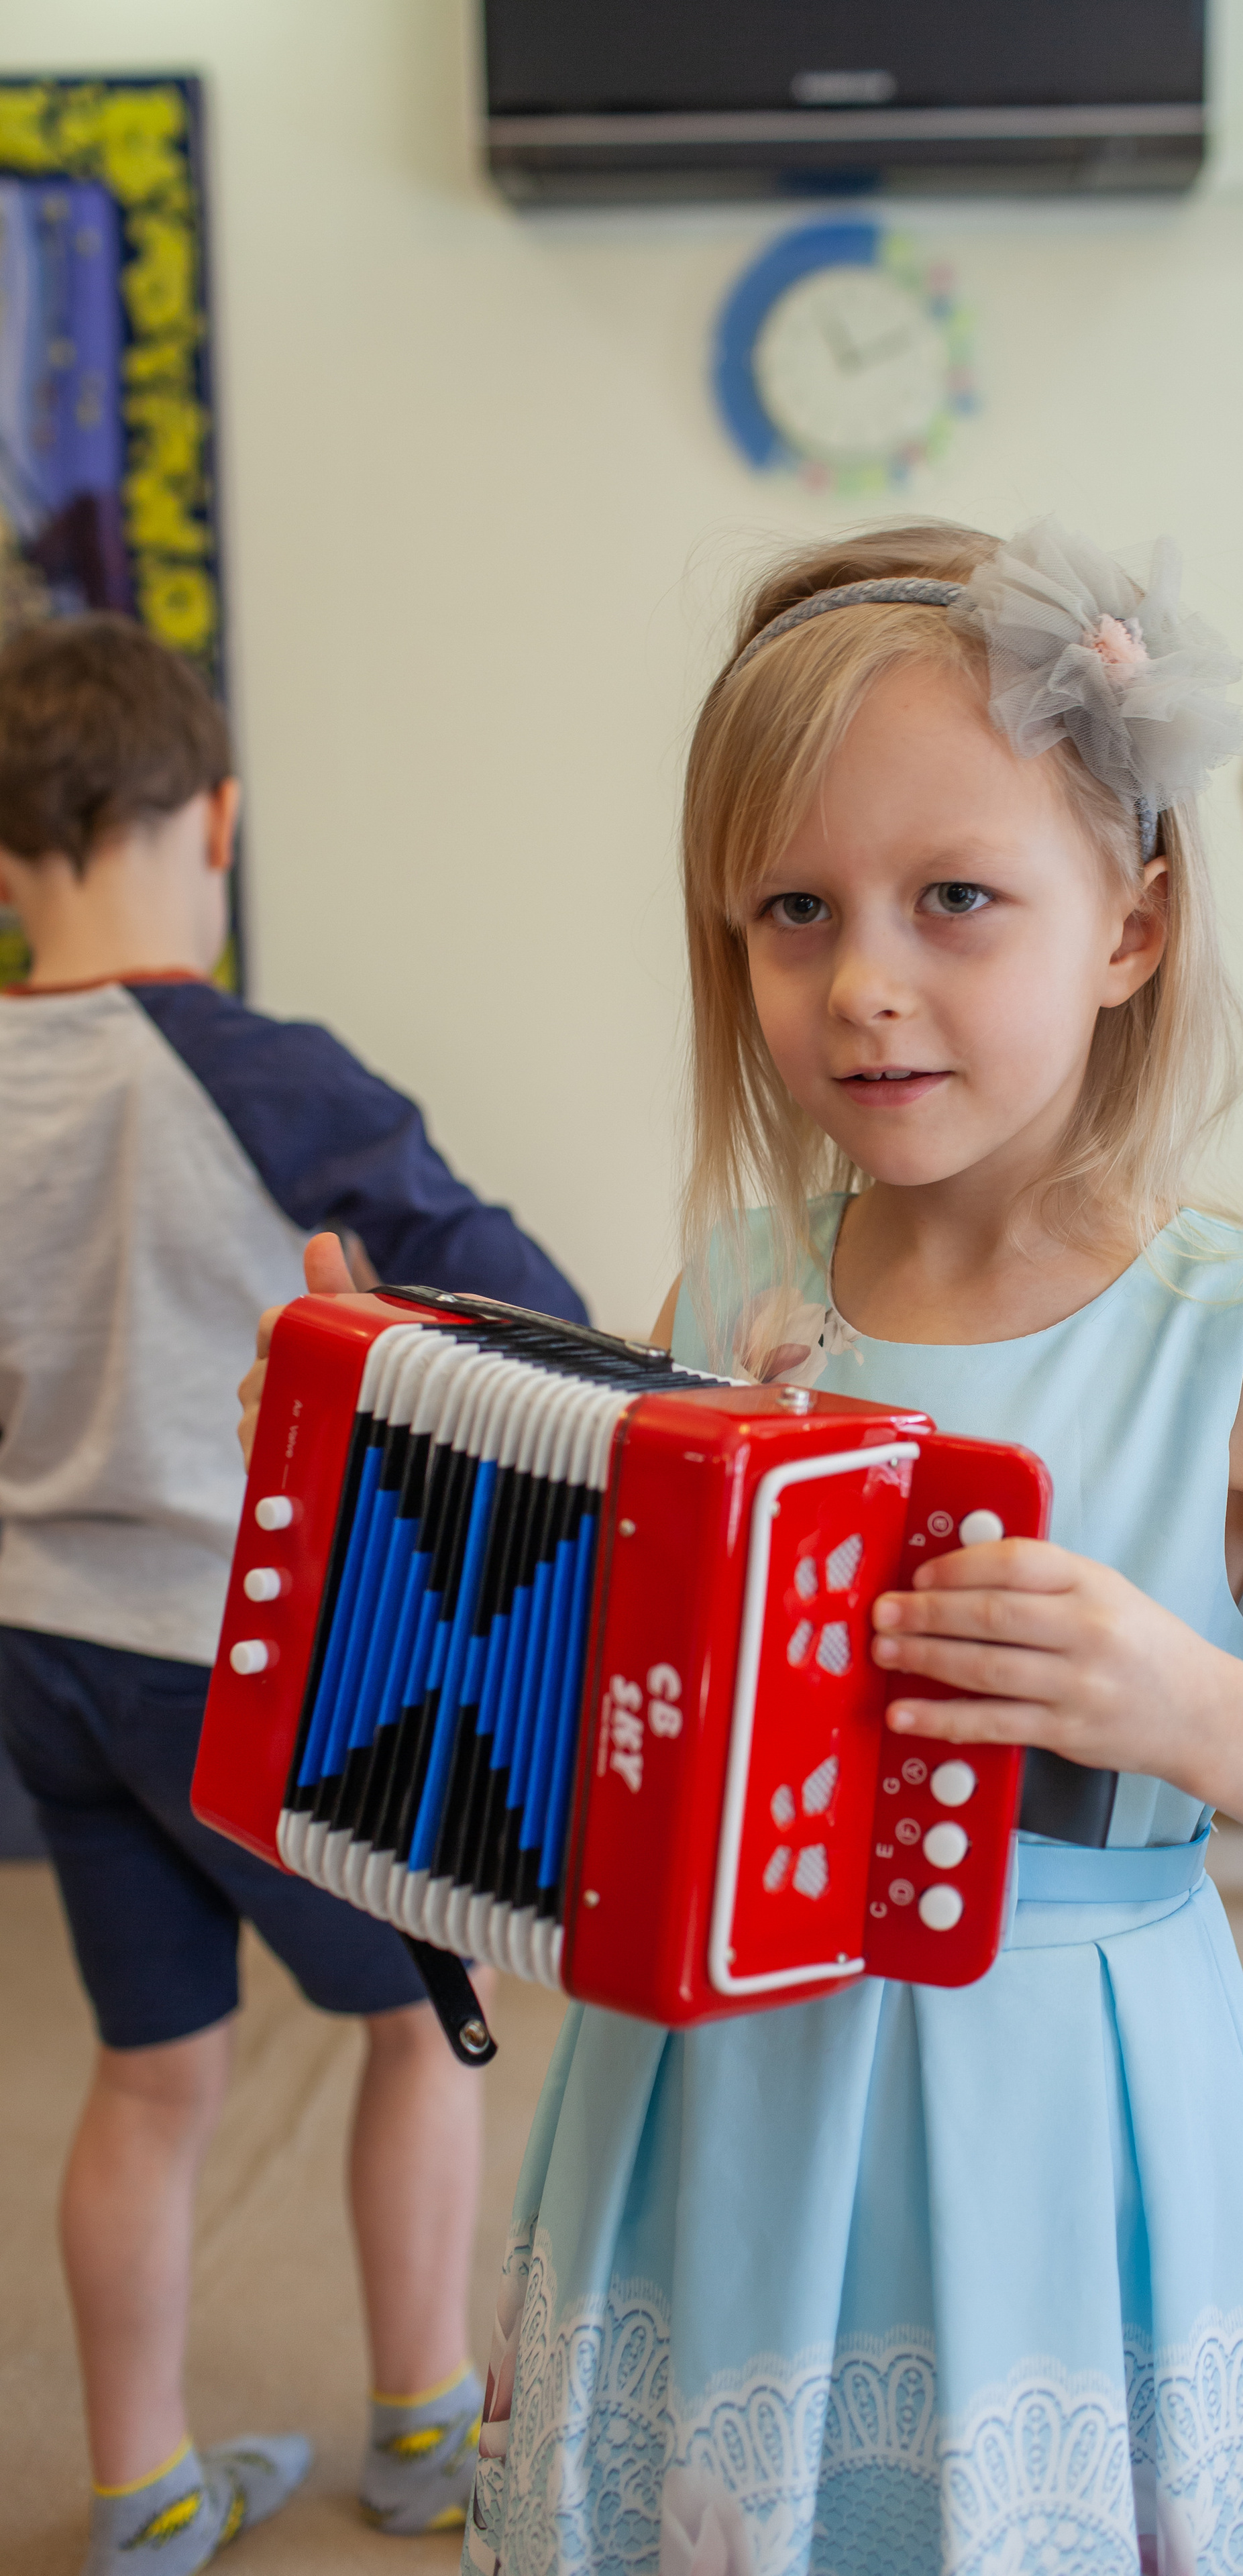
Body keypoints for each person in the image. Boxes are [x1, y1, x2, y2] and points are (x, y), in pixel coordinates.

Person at [250, 515, 1243, 2575]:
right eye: (793, 910)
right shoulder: (730, 1294)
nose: (865, 985)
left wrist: (1197, 1710)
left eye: (956, 897)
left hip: (1057, 2148)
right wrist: (390, 1494)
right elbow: (618, 1762)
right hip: (707, 2119)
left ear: (1134, 924)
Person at [0, 614, 590, 2575]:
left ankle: (140, 2489)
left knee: (152, 2071)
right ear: (220, 820)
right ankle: (424, 2426)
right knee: (428, 2021)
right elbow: (521, 1296)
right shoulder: (259, 1070)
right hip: (234, 1658)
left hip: (43, 1654)